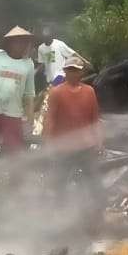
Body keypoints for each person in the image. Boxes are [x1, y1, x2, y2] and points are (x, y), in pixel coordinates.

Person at [44, 55, 104, 218]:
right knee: (60, 183)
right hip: (65, 148)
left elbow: (95, 118)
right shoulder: (56, 92)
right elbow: (50, 119)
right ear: (65, 71)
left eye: (76, 70)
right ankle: (59, 214)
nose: (73, 73)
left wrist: (99, 141)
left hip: (86, 146)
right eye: (69, 69)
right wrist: (49, 144)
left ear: (81, 72)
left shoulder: (89, 91)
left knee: (94, 181)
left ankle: (97, 213)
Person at [0, 26, 37, 158]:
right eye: (17, 41)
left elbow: (29, 93)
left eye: (24, 42)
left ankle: (15, 177)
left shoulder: (28, 64)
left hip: (13, 113)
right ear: (9, 43)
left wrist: (30, 117)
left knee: (15, 149)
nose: (21, 45)